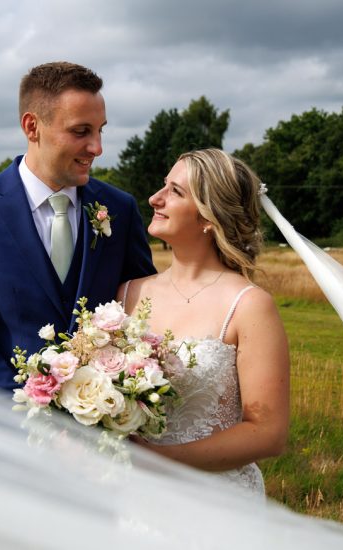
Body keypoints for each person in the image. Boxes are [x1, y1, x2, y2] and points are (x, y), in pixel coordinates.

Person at [0, 61, 156, 390]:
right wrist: (39, 415)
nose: (97, 147)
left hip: (102, 431)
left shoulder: (120, 210)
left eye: (100, 130)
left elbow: (141, 315)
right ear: (32, 127)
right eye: (81, 131)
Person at [118, 148, 290, 496]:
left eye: (175, 192)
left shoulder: (248, 305)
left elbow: (268, 433)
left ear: (208, 218)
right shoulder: (127, 294)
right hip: (133, 496)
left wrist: (161, 460)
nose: (154, 198)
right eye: (162, 186)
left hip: (216, 500)